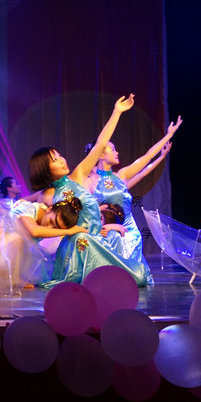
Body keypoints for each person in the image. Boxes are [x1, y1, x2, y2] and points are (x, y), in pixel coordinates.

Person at [28, 94, 150, 288]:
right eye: (55, 159)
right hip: (81, 243)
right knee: (127, 279)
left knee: (138, 276)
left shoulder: (78, 175)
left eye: (59, 155)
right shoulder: (49, 195)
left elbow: (100, 144)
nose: (62, 160)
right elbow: (36, 226)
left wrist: (117, 112)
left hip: (97, 239)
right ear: (45, 169)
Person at [87, 116, 182, 284]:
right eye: (112, 149)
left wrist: (168, 136)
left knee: (136, 279)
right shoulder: (90, 181)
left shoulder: (121, 176)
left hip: (131, 231)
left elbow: (146, 158)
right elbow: (87, 211)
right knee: (114, 277)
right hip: (108, 232)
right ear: (100, 154)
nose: (117, 152)